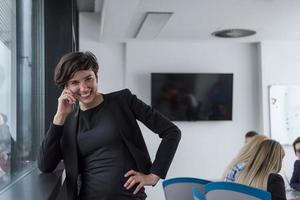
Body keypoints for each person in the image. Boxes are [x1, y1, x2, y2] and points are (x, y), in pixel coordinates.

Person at [38, 51, 181, 200]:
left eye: (88, 79)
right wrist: (59, 116)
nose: (84, 88)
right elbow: (45, 165)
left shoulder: (123, 101)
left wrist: (153, 175)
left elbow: (171, 131)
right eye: (75, 82)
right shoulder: (67, 121)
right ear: (65, 87)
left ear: (96, 77)